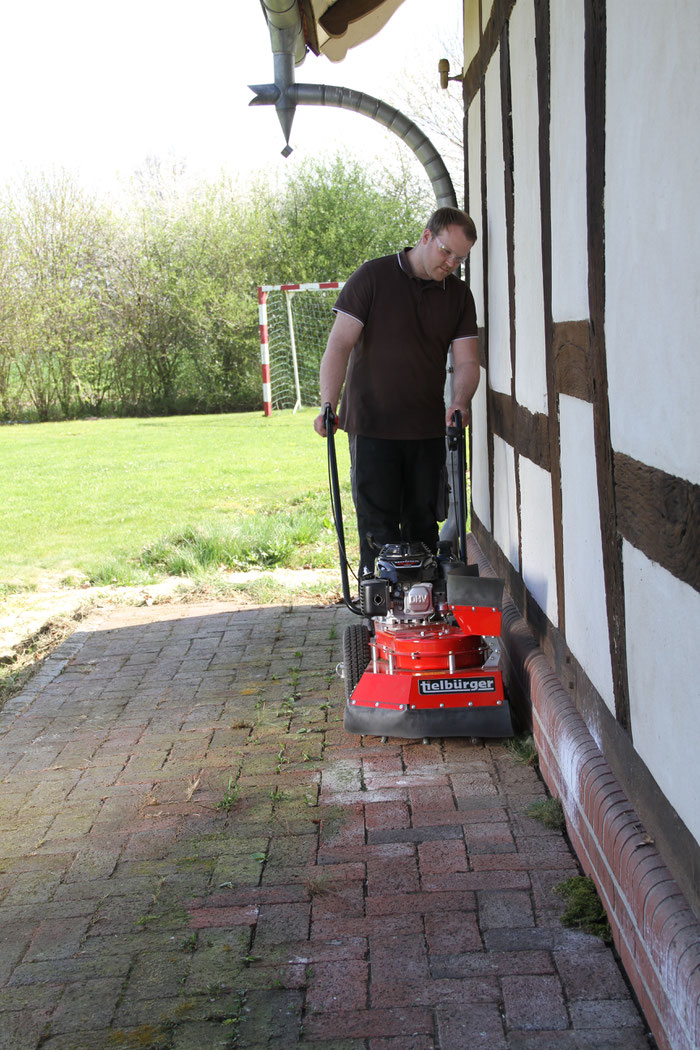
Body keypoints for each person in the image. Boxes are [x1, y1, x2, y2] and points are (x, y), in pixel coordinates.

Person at [313, 207, 480, 578]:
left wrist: (460, 401)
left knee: (423, 528)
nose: (451, 263)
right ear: (425, 237)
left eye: (460, 258)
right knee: (378, 531)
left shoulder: (458, 296)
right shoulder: (372, 277)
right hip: (372, 428)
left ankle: (423, 617)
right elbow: (339, 345)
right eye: (446, 252)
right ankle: (380, 623)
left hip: (427, 430)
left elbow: (468, 363)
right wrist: (328, 402)